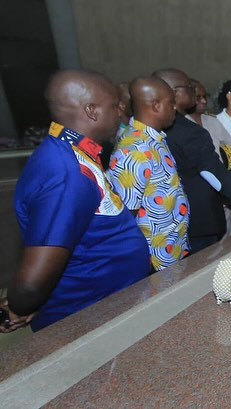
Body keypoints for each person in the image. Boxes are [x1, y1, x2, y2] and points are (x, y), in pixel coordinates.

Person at [2, 69, 149, 332]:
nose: (120, 112)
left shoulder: (78, 154)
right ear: (92, 110)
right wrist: (18, 306)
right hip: (84, 320)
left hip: (107, 307)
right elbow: (33, 279)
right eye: (115, 105)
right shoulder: (66, 173)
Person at [153, 68, 231, 252]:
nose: (194, 92)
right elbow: (213, 170)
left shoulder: (145, 130)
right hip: (199, 220)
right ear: (173, 92)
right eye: (189, 87)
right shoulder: (189, 132)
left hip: (166, 223)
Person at [107, 77, 190, 271]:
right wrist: (143, 264)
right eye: (171, 103)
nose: (175, 108)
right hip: (153, 261)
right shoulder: (134, 149)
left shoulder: (154, 139)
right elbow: (127, 216)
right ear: (155, 105)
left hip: (172, 252)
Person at [186, 79, 231, 237]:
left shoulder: (212, 121)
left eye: (205, 96)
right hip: (200, 198)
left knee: (229, 240)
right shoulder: (180, 126)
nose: (204, 101)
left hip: (225, 192)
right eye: (198, 97)